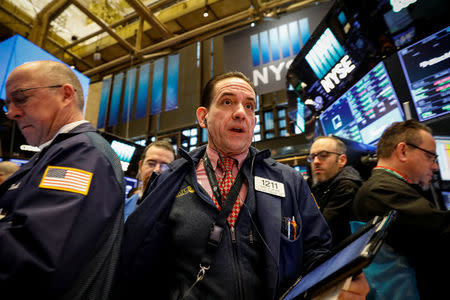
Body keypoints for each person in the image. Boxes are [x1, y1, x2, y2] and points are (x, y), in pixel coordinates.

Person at [121, 72, 369, 299]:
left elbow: (316, 252)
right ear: (203, 117)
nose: (240, 112)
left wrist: (338, 284)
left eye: (249, 106)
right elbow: (145, 267)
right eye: (227, 102)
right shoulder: (171, 182)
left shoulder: (288, 180)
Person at [0, 60, 125, 299]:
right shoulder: (59, 152)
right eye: (8, 103)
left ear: (66, 95)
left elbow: (35, 255)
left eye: (21, 97)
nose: (11, 112)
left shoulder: (81, 153)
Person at [353, 119, 450, 299]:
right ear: (403, 151)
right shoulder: (381, 191)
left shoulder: (383, 186)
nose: (435, 166)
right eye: (430, 156)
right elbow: (442, 232)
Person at [308, 136, 363, 245]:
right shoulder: (320, 185)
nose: (316, 162)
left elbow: (321, 232)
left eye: (323, 156)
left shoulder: (346, 186)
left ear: (342, 160)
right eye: (312, 157)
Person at [124, 139, 175, 221]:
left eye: (165, 166)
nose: (157, 170)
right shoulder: (125, 208)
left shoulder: (178, 212)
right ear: (140, 167)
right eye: (151, 163)